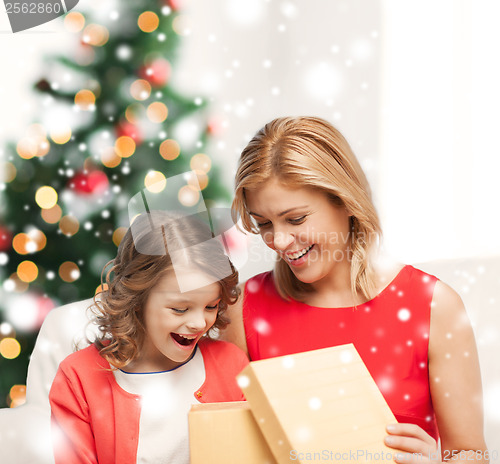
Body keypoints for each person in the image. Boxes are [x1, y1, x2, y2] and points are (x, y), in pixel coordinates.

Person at [222, 116, 489, 463]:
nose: (280, 241)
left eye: (296, 219)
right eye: (264, 224)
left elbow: (470, 452)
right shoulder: (242, 309)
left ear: (345, 200)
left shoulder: (435, 307)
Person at [49, 211, 249, 464]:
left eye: (211, 306)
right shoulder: (78, 378)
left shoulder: (232, 366)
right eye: (180, 308)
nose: (200, 323)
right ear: (137, 301)